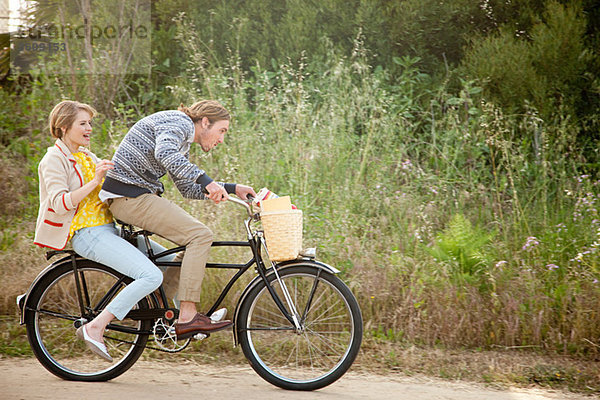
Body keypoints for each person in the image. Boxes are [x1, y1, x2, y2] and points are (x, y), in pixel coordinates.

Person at [100, 100, 256, 339]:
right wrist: (207, 180)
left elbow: (186, 188)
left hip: (134, 195)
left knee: (194, 241)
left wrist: (232, 188)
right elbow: (165, 153)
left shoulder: (181, 137)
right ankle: (187, 315)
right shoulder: (178, 122)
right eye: (221, 131)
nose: (221, 139)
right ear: (205, 122)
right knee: (199, 235)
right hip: (129, 196)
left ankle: (161, 310)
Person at [34, 100, 171, 362]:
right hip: (86, 233)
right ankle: (96, 326)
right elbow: (59, 202)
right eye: (83, 124)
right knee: (150, 275)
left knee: (170, 261)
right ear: (63, 127)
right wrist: (95, 181)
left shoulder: (87, 156)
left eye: (90, 123)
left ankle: (172, 322)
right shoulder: (54, 159)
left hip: (108, 230)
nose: (89, 129)